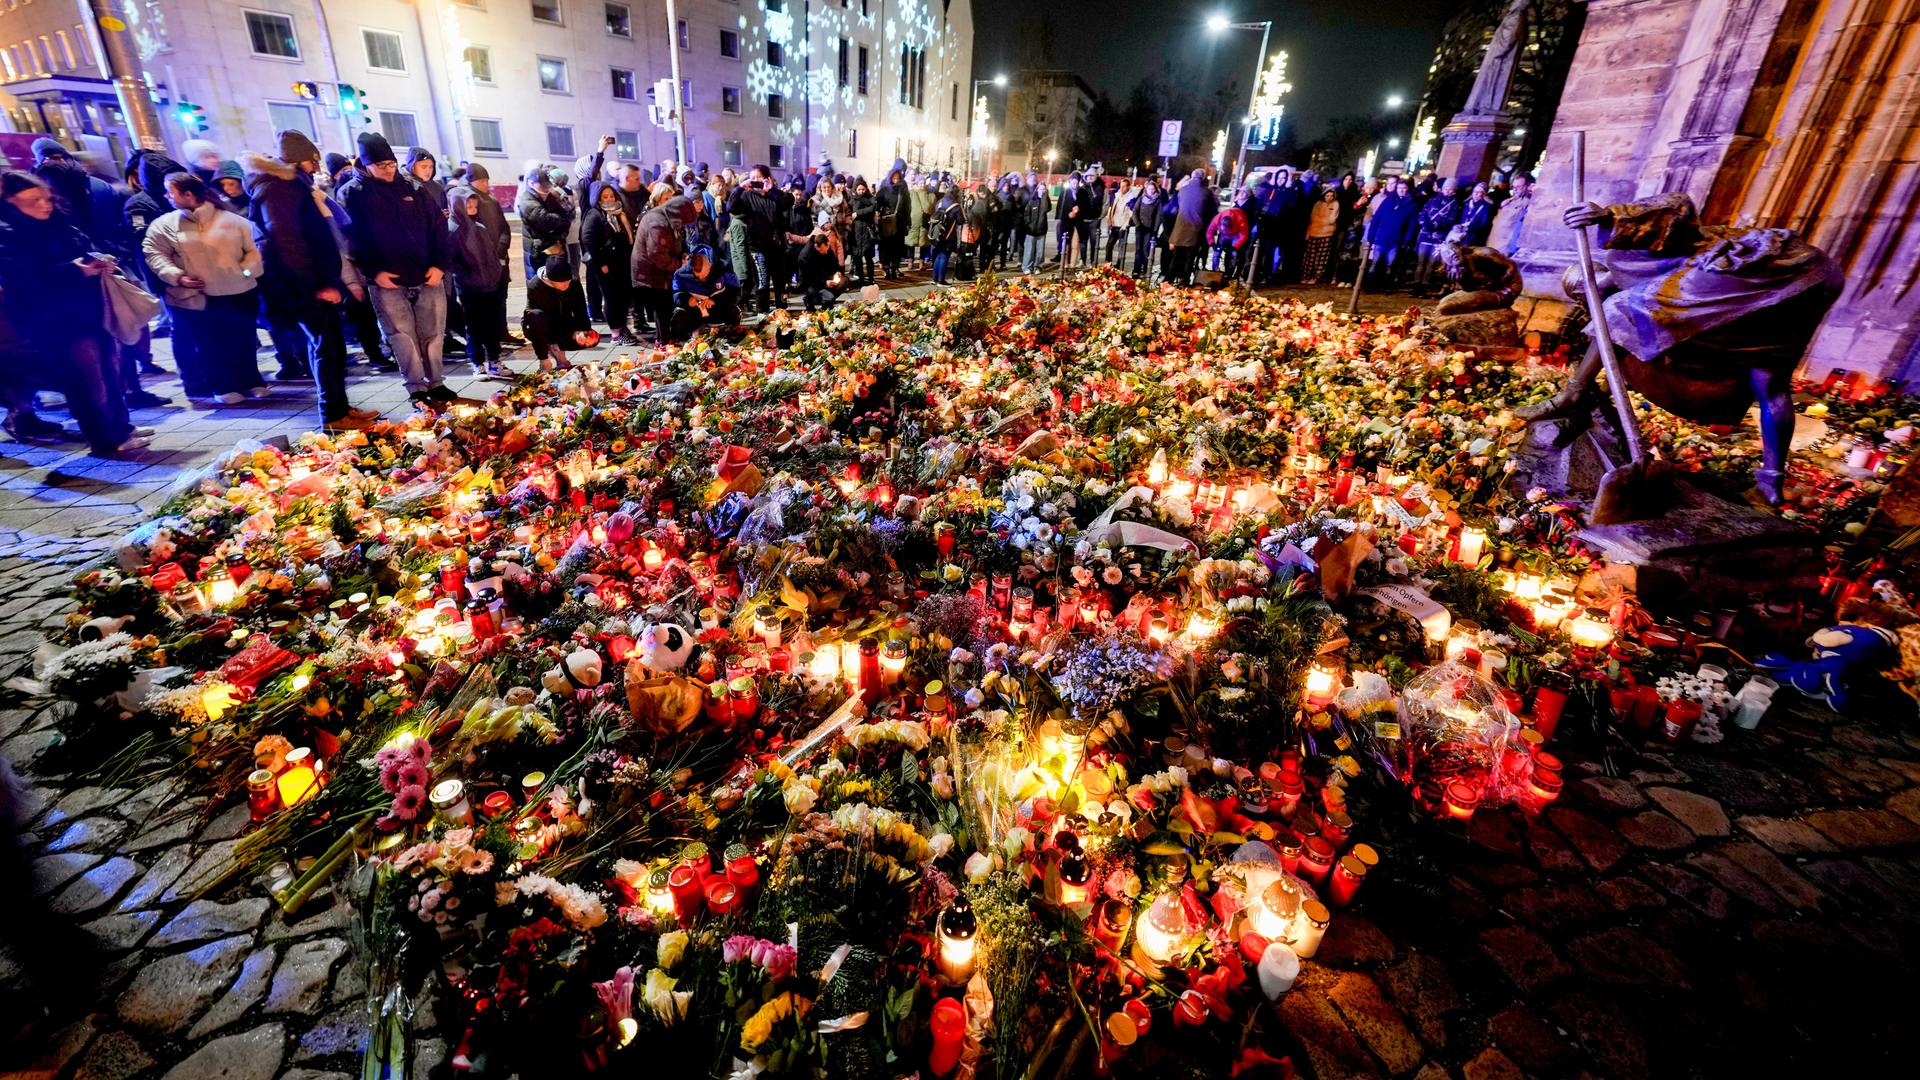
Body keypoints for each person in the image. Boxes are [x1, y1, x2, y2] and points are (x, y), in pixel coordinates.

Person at [0, 171, 148, 454]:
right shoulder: (8, 232)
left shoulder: (57, 221)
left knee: (109, 369)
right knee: (85, 378)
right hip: (53, 320)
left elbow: (83, 245)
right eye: (33, 200)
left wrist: (99, 259)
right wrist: (75, 270)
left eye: (47, 198)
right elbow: (22, 277)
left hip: (88, 307)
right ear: (10, 201)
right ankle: (104, 439)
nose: (45, 205)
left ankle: (120, 427)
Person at [242, 131, 377, 430]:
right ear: (300, 161)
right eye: (312, 161)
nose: (316, 168)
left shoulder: (290, 186)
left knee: (332, 345)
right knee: (326, 345)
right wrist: (319, 285)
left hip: (309, 281)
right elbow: (290, 242)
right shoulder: (280, 189)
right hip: (302, 285)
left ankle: (339, 408)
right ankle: (333, 414)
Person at [337, 132, 458, 408]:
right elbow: (350, 239)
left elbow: (439, 228)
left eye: (391, 164)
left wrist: (440, 264)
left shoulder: (413, 188)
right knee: (402, 336)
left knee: (433, 333)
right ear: (366, 164)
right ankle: (416, 387)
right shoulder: (353, 194)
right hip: (387, 281)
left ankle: (436, 382)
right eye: (381, 165)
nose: (389, 170)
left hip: (428, 275)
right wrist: (373, 271)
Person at [142, 171, 267, 406]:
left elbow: (254, 249)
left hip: (241, 291)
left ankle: (251, 380)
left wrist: (246, 271)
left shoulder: (232, 220)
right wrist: (177, 277)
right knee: (212, 342)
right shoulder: (165, 225)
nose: (167, 196)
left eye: (171, 192)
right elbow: (153, 253)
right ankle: (224, 384)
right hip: (202, 296)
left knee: (245, 338)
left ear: (188, 194)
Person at [447, 185, 510, 377]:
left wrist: (496, 273)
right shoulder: (453, 230)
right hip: (470, 289)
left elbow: (490, 255)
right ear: (458, 206)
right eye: (469, 207)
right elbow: (450, 260)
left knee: (492, 325)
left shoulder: (480, 227)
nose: (473, 211)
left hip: (490, 286)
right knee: (474, 327)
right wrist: (467, 274)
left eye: (475, 207)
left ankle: (494, 360)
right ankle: (478, 363)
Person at [462, 162, 517, 353]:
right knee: (487, 304)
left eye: (487, 180)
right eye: (482, 181)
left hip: (499, 258)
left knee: (501, 297)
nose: (486, 184)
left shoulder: (492, 201)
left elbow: (504, 227)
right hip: (483, 263)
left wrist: (501, 248)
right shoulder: (468, 201)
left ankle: (502, 331)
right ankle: (489, 338)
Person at [631, 193, 697, 345]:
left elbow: (675, 242)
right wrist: (678, 263)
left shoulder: (667, 218)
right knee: (662, 308)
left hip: (660, 272)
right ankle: (663, 342)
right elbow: (657, 255)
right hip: (649, 275)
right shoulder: (657, 223)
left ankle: (666, 338)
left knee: (665, 307)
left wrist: (683, 254)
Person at [581, 181, 639, 346]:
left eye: (611, 195)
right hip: (606, 265)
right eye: (605, 196)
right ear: (598, 198)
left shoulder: (619, 212)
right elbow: (588, 239)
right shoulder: (595, 214)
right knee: (612, 298)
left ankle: (622, 328)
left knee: (623, 297)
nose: (609, 199)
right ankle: (615, 333)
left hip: (621, 262)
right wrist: (601, 263)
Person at [521, 255, 593, 368]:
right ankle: (547, 357)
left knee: (592, 338)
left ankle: (559, 352)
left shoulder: (573, 282)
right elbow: (534, 317)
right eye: (562, 282)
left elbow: (581, 309)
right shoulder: (535, 285)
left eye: (568, 281)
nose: (566, 285)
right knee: (537, 316)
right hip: (541, 326)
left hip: (564, 323)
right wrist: (543, 357)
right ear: (550, 280)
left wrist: (581, 330)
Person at [670, 245, 740, 337]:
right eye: (697, 277)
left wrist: (715, 300)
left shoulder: (723, 267)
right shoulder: (681, 274)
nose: (701, 279)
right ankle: (686, 341)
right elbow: (676, 293)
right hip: (695, 312)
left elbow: (735, 291)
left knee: (733, 311)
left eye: (704, 275)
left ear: (710, 265)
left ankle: (729, 334)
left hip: (718, 308)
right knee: (678, 318)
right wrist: (688, 300)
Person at [1364, 178, 1419, 286]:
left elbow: (1411, 224)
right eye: (1399, 188)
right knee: (1375, 262)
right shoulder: (1388, 200)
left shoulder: (1412, 205)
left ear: (1408, 189)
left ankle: (1385, 285)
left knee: (1390, 263)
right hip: (1381, 236)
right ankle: (1369, 285)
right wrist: (1371, 234)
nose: (1401, 190)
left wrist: (1407, 239)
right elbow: (1377, 218)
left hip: (1396, 239)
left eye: (1404, 188)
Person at [1413, 178, 1464, 293]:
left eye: (1451, 189)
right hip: (1426, 235)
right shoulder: (1432, 200)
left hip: (1439, 237)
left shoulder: (1455, 204)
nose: (1448, 191)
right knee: (1421, 262)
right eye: (1446, 188)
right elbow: (1423, 214)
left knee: (1431, 263)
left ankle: (1424, 285)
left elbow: (1451, 219)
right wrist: (1427, 226)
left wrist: (1438, 227)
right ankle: (1416, 284)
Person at [1166, 170, 1215, 286]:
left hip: (1180, 229)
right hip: (1195, 229)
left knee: (1176, 256)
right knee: (1190, 258)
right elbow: (1211, 212)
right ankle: (1185, 281)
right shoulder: (1206, 192)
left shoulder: (1183, 190)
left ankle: (1169, 280)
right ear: (1202, 178)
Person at [796, 231, 844, 310]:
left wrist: (837, 272)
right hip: (813, 284)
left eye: (826, 249)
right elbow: (808, 279)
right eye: (822, 251)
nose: (825, 252)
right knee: (830, 298)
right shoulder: (805, 256)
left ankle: (827, 300)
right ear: (816, 247)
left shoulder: (826, 248)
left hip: (826, 279)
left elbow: (834, 263)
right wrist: (824, 283)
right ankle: (810, 300)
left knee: (844, 281)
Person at [1487, 173, 1533, 256]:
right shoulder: (1511, 200)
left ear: (1528, 186)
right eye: (1514, 187)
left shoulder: (1529, 202)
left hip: (1507, 246)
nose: (1515, 190)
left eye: (1519, 187)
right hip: (1495, 242)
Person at [1206, 195, 1251, 278]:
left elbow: (1243, 236)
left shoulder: (1240, 220)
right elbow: (1210, 231)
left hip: (1235, 235)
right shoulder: (1218, 218)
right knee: (1216, 252)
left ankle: (1229, 273)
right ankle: (1215, 271)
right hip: (1223, 236)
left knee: (1233, 254)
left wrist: (1235, 246)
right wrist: (1212, 243)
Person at [928, 187, 965, 286]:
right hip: (948, 235)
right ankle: (941, 280)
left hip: (936, 233)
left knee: (937, 256)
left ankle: (934, 278)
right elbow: (961, 221)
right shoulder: (956, 206)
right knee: (944, 256)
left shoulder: (940, 201)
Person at [1304, 188, 1340, 284]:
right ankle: (1306, 276)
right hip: (1314, 232)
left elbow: (1333, 219)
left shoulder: (1335, 204)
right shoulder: (1318, 204)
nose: (1329, 198)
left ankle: (1316, 277)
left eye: (1331, 196)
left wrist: (1322, 220)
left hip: (1327, 234)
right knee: (1310, 257)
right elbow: (1314, 217)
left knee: (1322, 258)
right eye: (1327, 195)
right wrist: (1325, 221)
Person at [1129, 179, 1162, 279]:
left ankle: (1145, 269)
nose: (1151, 191)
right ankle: (1136, 270)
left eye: (1153, 189)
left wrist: (1155, 230)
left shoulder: (1157, 201)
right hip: (1140, 227)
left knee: (1145, 250)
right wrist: (1137, 224)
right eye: (1149, 188)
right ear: (1146, 189)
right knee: (1138, 249)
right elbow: (1135, 211)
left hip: (1149, 229)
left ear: (1155, 190)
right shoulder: (1141, 198)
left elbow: (1158, 216)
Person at [1054, 173, 1082, 267]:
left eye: (1076, 183)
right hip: (1066, 222)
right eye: (1073, 183)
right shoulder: (1065, 193)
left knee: (1075, 245)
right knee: (1065, 244)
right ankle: (1064, 264)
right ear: (1070, 182)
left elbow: (1085, 206)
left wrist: (1079, 209)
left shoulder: (1082, 193)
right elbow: (1060, 207)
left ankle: (1073, 264)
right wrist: (1065, 215)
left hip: (1077, 223)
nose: (1075, 185)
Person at [907, 176, 934, 270]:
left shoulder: (930, 195)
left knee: (924, 243)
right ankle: (910, 262)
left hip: (925, 222)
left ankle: (921, 263)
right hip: (913, 221)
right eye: (920, 183)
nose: (922, 185)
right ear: (917, 184)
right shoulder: (912, 193)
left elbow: (932, 207)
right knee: (911, 243)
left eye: (923, 183)